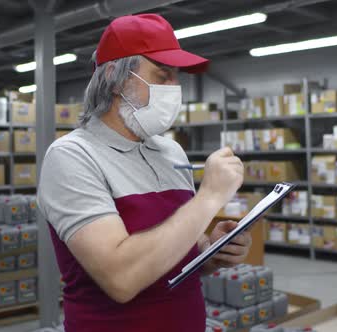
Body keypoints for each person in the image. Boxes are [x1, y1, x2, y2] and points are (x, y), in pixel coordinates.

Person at [37, 13, 251, 332]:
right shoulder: (71, 156)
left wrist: (213, 252)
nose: (174, 88)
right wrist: (209, 197)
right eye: (162, 76)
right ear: (115, 76)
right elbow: (121, 278)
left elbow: (176, 254)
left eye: (176, 78)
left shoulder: (171, 152)